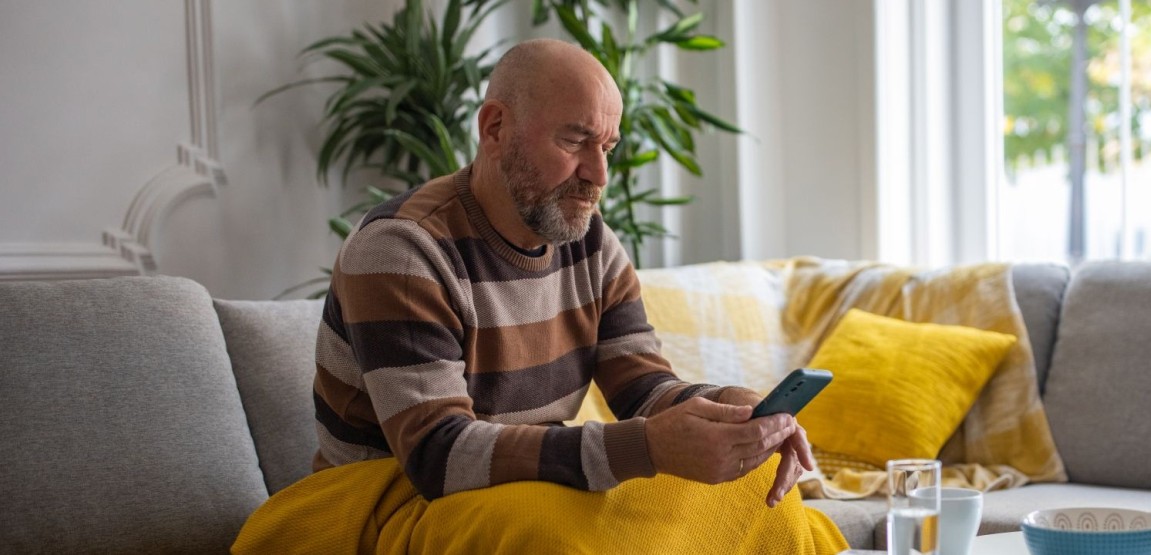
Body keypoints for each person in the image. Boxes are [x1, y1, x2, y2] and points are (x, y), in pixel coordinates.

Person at [310, 38, 813, 509]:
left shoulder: (590, 241)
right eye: (576, 140)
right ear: (495, 129)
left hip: (519, 493)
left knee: (754, 503)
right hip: (380, 502)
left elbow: (642, 389)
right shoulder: (403, 250)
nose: (599, 174)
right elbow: (438, 455)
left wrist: (731, 409)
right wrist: (648, 447)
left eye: (607, 147)